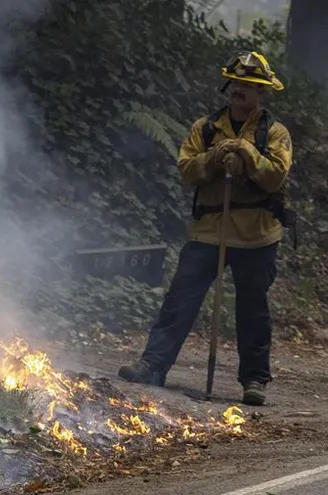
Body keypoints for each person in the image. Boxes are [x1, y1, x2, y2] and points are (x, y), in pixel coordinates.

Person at [118, 51, 294, 407]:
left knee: (253, 309)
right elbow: (187, 170)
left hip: (256, 234)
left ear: (262, 93)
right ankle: (153, 364)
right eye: (236, 83)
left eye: (249, 85)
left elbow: (276, 176)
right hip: (209, 230)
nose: (240, 90)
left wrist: (246, 152)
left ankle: (254, 380)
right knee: (181, 298)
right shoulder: (206, 128)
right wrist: (214, 158)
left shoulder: (275, 133)